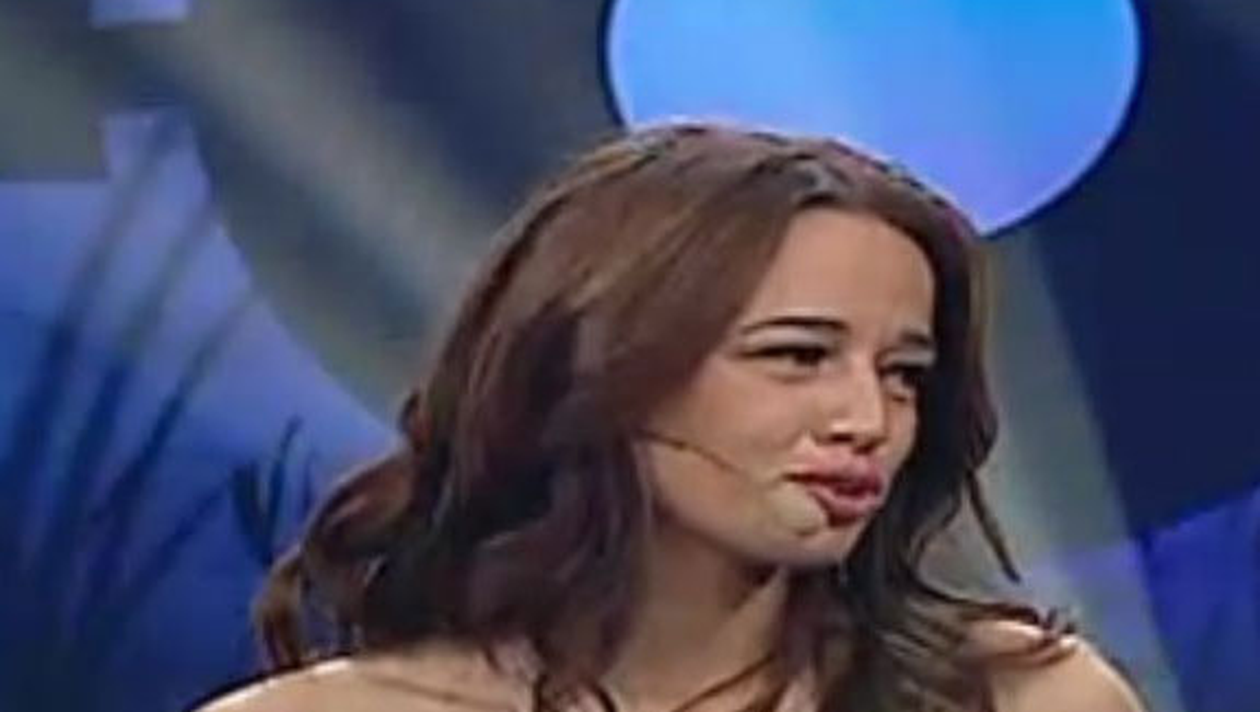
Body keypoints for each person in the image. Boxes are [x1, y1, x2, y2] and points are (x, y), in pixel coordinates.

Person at [197, 123, 1146, 712]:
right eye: (796, 356)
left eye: (904, 375)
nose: (869, 419)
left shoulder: (1025, 700)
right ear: (597, 368)